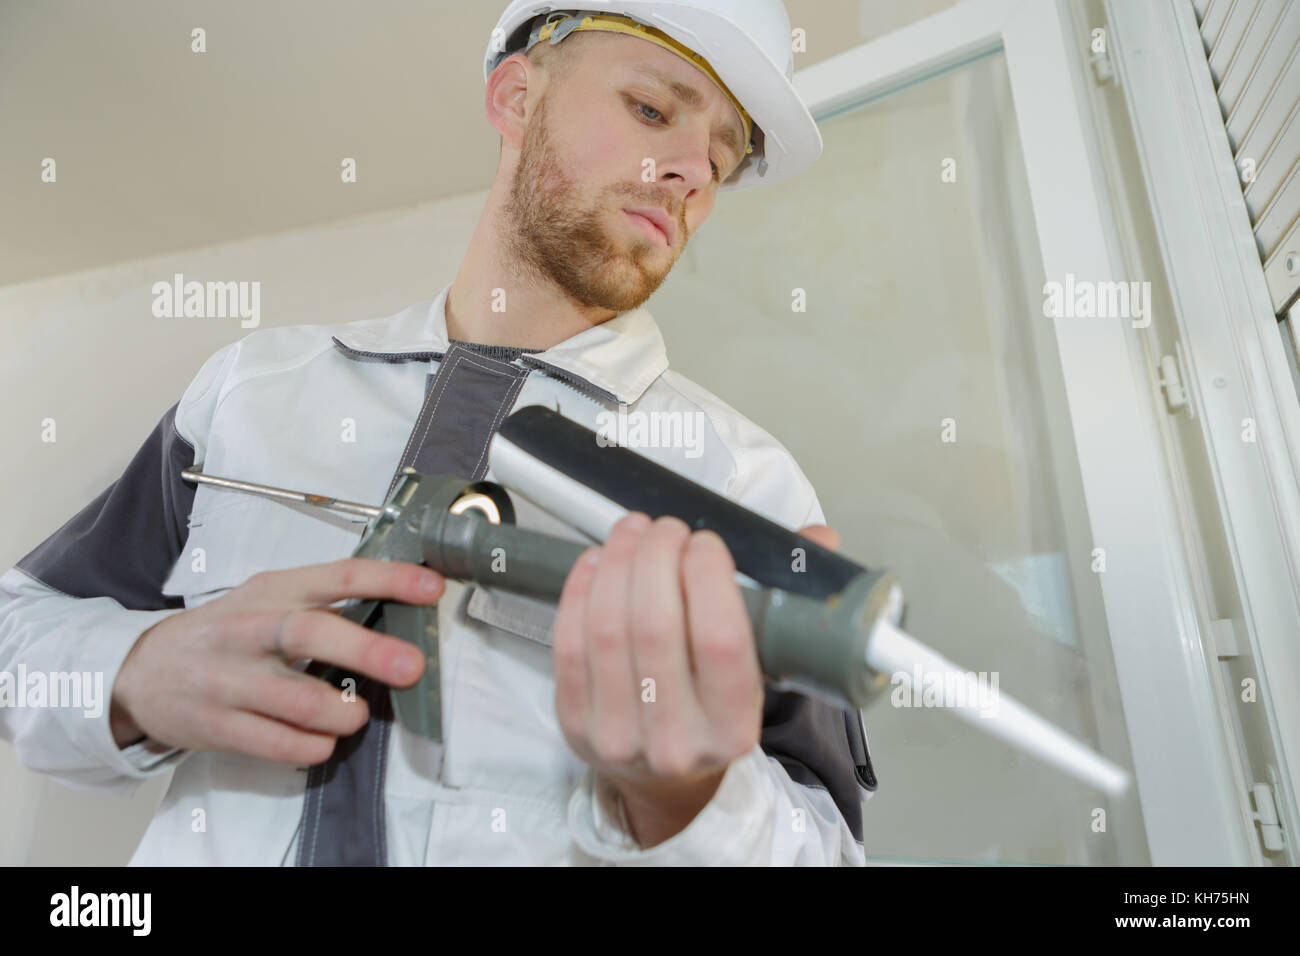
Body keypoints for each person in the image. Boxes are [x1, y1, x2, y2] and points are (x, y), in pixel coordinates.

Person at [0, 1, 877, 865]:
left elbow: (828, 853)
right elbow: (18, 636)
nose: (691, 168)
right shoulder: (253, 393)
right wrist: (136, 671)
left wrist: (689, 801)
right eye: (653, 110)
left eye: (722, 161)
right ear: (516, 98)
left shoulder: (747, 487)